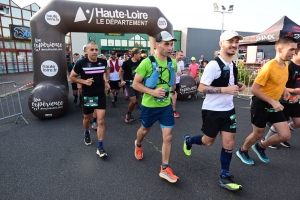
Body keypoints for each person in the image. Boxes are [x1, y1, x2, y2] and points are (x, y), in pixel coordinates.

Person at [183, 30, 246, 191]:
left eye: (236, 42)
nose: (234, 44)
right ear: (221, 44)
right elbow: (201, 88)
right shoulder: (213, 65)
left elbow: (230, 82)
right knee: (208, 141)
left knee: (229, 142)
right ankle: (189, 141)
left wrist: (239, 86)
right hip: (212, 110)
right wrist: (225, 90)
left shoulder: (233, 64)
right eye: (230, 41)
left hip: (229, 110)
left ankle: (225, 175)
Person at [236, 36, 298, 165]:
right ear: (280, 49)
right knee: (258, 134)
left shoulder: (286, 64)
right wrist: (273, 102)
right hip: (261, 104)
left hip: (274, 104)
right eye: (291, 49)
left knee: (285, 135)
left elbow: (279, 81)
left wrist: (284, 90)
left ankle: (261, 146)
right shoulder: (269, 67)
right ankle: (242, 150)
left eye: (295, 49)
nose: (294, 52)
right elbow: (254, 89)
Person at [132, 31, 179, 183]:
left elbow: (173, 82)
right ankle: (138, 144)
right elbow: (135, 84)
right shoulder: (147, 62)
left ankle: (164, 168)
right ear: (157, 45)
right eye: (166, 44)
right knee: (144, 130)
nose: (170, 47)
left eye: (171, 44)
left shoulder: (173, 63)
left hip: (165, 106)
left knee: (168, 136)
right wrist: (152, 91)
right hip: (149, 106)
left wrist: (172, 94)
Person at [70, 42, 110, 158]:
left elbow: (105, 72)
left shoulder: (103, 62)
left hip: (100, 95)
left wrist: (106, 82)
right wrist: (84, 82)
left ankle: (100, 146)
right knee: (87, 118)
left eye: (96, 50)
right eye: (91, 49)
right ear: (86, 51)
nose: (94, 52)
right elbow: (72, 77)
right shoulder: (81, 63)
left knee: (101, 121)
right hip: (88, 95)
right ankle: (86, 132)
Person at [263, 42, 300, 148]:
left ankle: (282, 136)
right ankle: (268, 140)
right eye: (291, 50)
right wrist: (295, 90)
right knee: (280, 122)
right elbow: (278, 85)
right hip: (283, 100)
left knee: (298, 122)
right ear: (296, 52)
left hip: (294, 100)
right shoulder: (287, 66)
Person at [119, 48, 142, 123]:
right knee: (133, 100)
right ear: (134, 54)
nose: (140, 55)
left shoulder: (140, 62)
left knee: (135, 101)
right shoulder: (126, 63)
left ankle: (129, 114)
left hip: (137, 84)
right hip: (129, 83)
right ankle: (128, 114)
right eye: (139, 54)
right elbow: (120, 71)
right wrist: (122, 80)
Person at [171, 50, 184, 118]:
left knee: (174, 97)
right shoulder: (171, 62)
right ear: (176, 55)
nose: (182, 57)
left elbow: (182, 71)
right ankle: (173, 111)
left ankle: (172, 110)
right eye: (180, 55)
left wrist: (181, 73)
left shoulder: (182, 62)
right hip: (171, 83)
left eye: (182, 55)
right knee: (174, 97)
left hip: (177, 82)